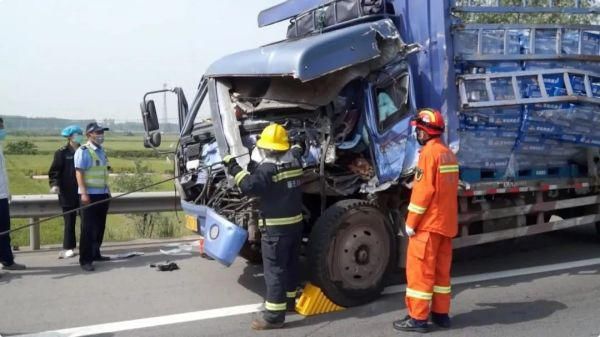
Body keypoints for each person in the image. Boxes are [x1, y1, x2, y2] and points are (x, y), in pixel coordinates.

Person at [223, 123, 304, 330]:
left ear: (267, 149)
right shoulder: (295, 161)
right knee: (290, 266)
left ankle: (274, 317)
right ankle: (289, 303)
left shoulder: (268, 170)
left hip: (275, 231)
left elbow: (249, 186)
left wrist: (233, 167)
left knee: (275, 271)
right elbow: (299, 148)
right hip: (295, 227)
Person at [393, 108, 459, 333]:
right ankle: (441, 315)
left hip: (428, 226)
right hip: (446, 224)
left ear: (425, 131)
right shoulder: (447, 152)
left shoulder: (428, 154)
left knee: (420, 272)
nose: (417, 134)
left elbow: (423, 192)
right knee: (441, 274)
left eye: (418, 130)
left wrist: (411, 223)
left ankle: (417, 319)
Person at [74, 122, 111, 272]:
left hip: (102, 194)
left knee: (99, 227)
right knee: (88, 229)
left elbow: (103, 172)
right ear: (89, 135)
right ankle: (85, 260)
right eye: (98, 132)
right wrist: (83, 193)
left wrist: (107, 190)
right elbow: (79, 173)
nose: (101, 135)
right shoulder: (83, 151)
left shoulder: (101, 151)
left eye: (102, 132)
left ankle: (96, 254)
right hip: (89, 196)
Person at [49, 125, 84, 259]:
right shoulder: (61, 152)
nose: (79, 136)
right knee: (69, 221)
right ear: (69, 136)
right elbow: (54, 171)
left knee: (86, 221)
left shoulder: (85, 150)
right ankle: (68, 247)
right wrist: (54, 184)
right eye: (76, 134)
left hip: (83, 191)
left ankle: (86, 245)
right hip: (67, 193)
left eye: (80, 133)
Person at [0, 117, 26, 271]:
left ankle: (7, 260)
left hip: (2, 195)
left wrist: (7, 192)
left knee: (4, 230)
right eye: (1, 127)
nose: (3, 131)